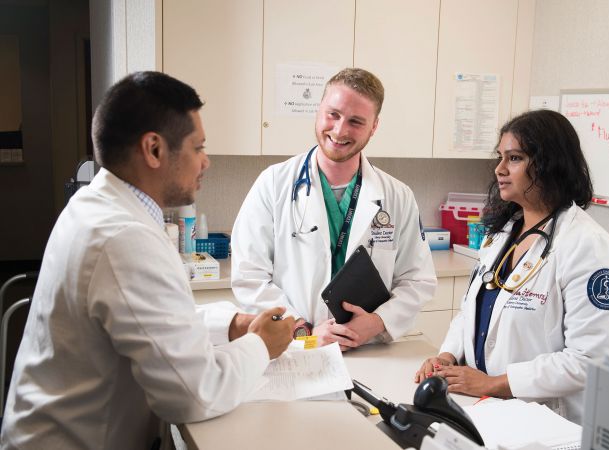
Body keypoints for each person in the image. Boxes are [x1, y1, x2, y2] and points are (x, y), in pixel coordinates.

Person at [0, 71, 295, 449]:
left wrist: (231, 326)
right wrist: (260, 346)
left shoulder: (97, 204)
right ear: (154, 149)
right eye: (198, 147)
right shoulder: (125, 237)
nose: (206, 162)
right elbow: (194, 394)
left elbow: (147, 322)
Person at [415, 109, 609, 424]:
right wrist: (447, 356)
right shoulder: (502, 233)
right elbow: (472, 313)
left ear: (549, 164)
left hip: (545, 422)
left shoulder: (588, 248)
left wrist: (497, 383)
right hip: (484, 408)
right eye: (500, 157)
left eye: (514, 158)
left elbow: (588, 361)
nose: (499, 169)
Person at [230, 68, 436, 349]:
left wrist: (377, 322)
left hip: (369, 349)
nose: (340, 130)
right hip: (294, 348)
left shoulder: (397, 196)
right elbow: (249, 275)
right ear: (319, 111)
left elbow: (417, 279)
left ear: (374, 127)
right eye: (333, 115)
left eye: (356, 121)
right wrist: (303, 331)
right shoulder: (273, 183)